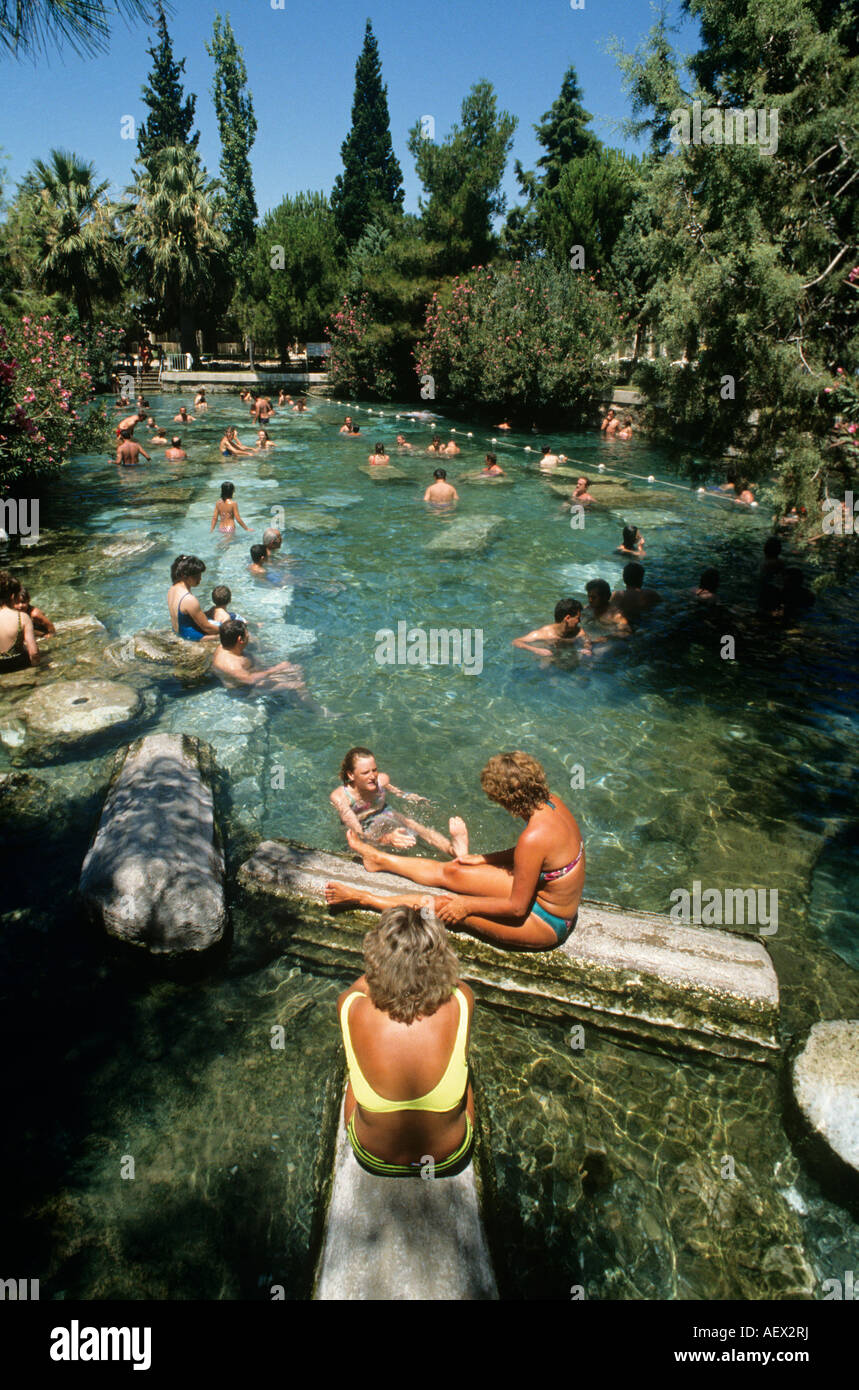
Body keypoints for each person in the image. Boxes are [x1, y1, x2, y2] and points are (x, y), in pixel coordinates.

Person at [325, 752, 586, 951]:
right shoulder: (551, 802)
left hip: (546, 923)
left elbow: (516, 908)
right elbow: (533, 854)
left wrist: (466, 905)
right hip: (540, 893)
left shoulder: (534, 836)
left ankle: (364, 898)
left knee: (441, 906)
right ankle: (379, 858)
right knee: (457, 869)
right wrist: (482, 859)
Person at [337, 906, 475, 1178]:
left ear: (377, 957)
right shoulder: (462, 1000)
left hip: (372, 1157)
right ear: (441, 958)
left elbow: (363, 983)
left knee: (355, 1074)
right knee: (465, 1071)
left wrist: (387, 969)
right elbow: (451, 981)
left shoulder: (349, 1006)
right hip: (447, 1159)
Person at [330, 747, 462, 855]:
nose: (372, 776)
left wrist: (412, 798)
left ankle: (453, 850)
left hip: (384, 811)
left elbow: (398, 792)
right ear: (351, 775)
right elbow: (360, 836)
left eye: (374, 770)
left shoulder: (382, 780)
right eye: (365, 773)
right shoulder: (342, 798)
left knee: (415, 825)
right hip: (363, 823)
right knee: (367, 843)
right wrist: (387, 839)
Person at [212, 618, 305, 689]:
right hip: (246, 689)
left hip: (254, 672)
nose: (249, 637)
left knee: (296, 670)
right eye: (247, 635)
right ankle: (317, 711)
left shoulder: (227, 643)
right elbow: (250, 680)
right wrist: (276, 669)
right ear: (240, 640)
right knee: (297, 684)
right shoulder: (231, 665)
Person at [513, 598, 593, 658]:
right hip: (549, 651)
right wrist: (536, 650)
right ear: (567, 618)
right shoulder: (543, 634)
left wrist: (587, 648)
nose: (579, 621)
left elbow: (587, 642)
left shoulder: (578, 632)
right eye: (578, 618)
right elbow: (516, 642)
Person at [167, 555, 221, 642]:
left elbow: (184, 618)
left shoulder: (172, 589)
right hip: (193, 638)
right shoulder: (189, 599)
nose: (200, 579)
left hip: (178, 632)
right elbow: (207, 628)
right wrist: (226, 628)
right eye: (196, 576)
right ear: (185, 576)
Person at [0, 571, 40, 672]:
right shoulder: (22, 617)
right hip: (18, 665)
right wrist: (37, 670)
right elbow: (34, 653)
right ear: (13, 596)